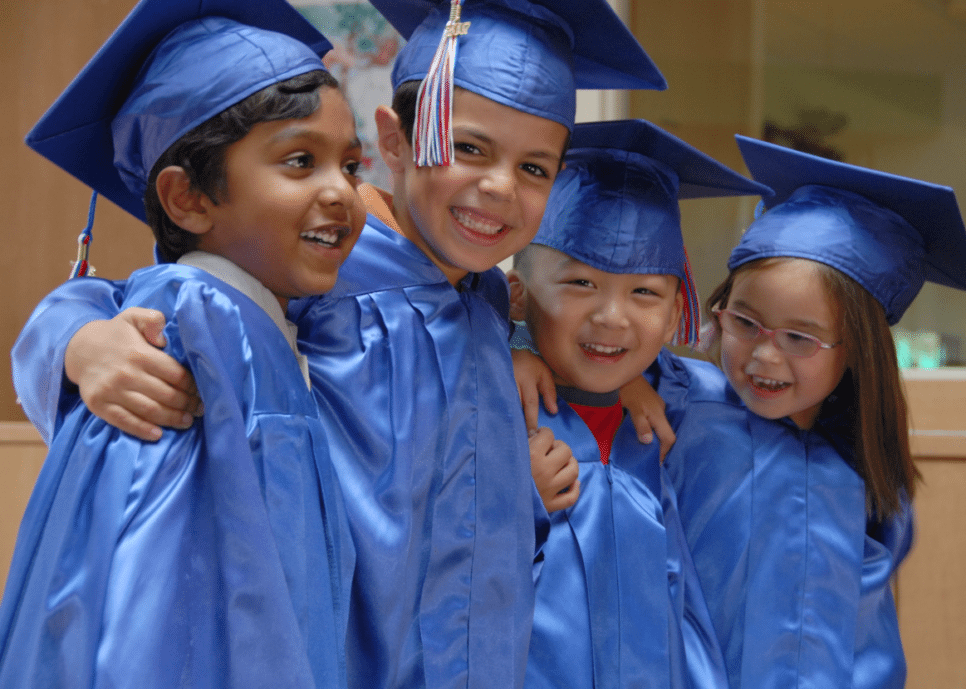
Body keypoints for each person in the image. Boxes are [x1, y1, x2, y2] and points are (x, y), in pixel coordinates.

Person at [9, 2, 669, 687]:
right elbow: (158, 296)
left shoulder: (488, 304)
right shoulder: (328, 267)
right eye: (468, 147)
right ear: (395, 142)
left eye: (535, 169)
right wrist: (75, 339)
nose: (499, 186)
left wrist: (575, 416)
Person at [0, 1, 366, 687]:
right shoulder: (185, 331)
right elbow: (146, 606)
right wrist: (72, 332)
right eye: (300, 161)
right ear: (188, 198)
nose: (343, 192)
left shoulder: (272, 326)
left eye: (351, 165)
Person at [653, 135, 966, 688]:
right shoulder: (684, 406)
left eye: (799, 338)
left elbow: (868, 630)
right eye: (745, 322)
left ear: (856, 353)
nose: (763, 355)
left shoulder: (864, 468)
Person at [507, 119, 768, 689]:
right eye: (579, 283)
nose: (611, 317)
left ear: (677, 313)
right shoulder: (490, 406)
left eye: (644, 292)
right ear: (517, 296)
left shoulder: (689, 408)